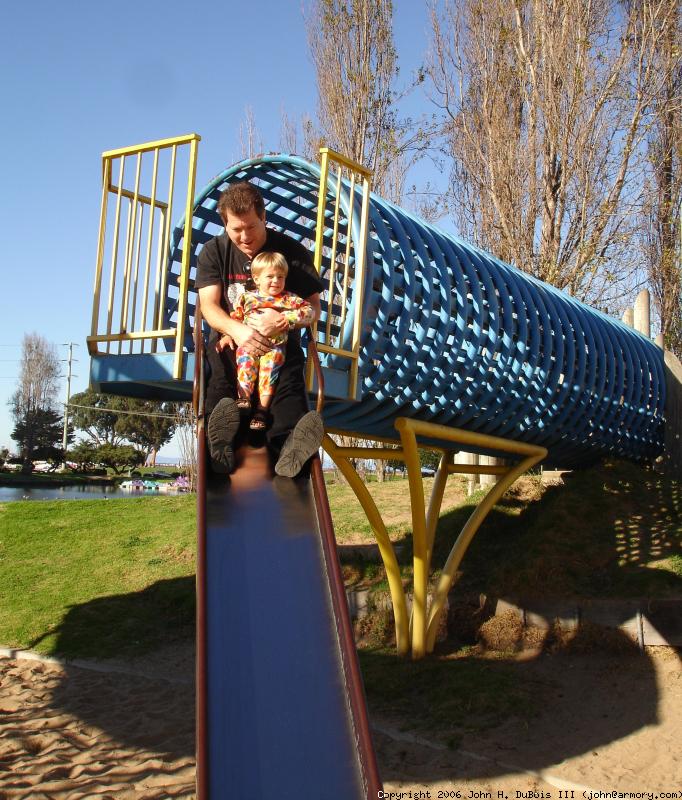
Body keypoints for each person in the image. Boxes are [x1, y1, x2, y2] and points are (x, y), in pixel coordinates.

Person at [195, 181, 324, 477]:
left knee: (287, 381)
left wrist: (285, 320)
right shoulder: (214, 252)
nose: (245, 237)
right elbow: (210, 306)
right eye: (236, 230)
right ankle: (220, 443)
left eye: (251, 227)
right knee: (222, 378)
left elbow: (314, 308)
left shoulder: (290, 253)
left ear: (263, 217)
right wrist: (238, 331)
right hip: (232, 341)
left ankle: (290, 446)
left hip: (279, 343)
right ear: (225, 225)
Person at [223, 251, 315, 431]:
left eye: (280, 277)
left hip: (274, 346)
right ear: (256, 279)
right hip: (249, 342)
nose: (276, 281)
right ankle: (244, 398)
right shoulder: (246, 298)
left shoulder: (288, 299)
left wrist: (287, 318)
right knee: (245, 363)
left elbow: (309, 311)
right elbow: (236, 318)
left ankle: (262, 410)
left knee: (269, 373)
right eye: (270, 276)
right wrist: (228, 334)